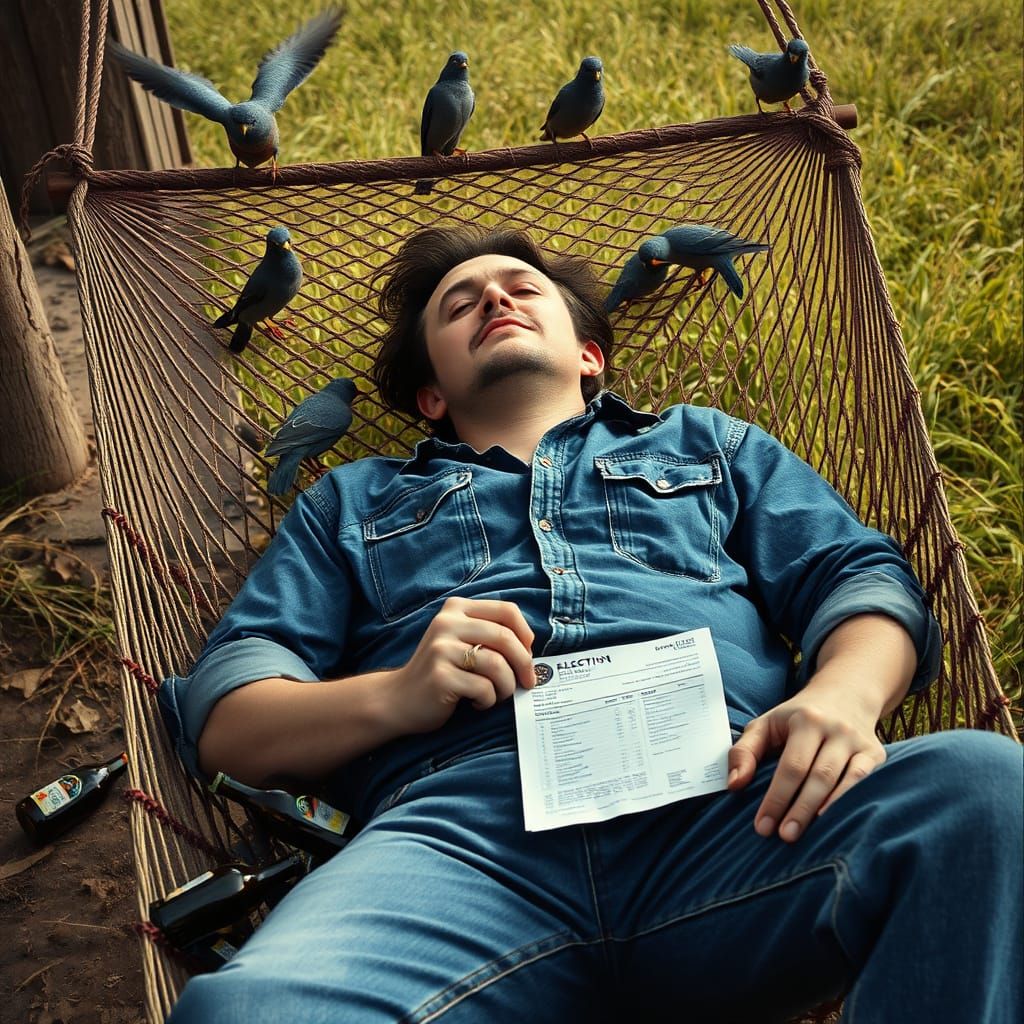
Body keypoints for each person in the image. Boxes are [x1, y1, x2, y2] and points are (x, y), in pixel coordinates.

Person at [160, 225, 1022, 1022]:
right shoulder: (352, 501)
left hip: (731, 813)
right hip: (460, 848)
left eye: (521, 289)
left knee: (981, 788)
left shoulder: (708, 447)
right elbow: (229, 722)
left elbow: (860, 579)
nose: (494, 300)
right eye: (459, 305)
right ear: (429, 394)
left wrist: (842, 696)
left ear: (589, 353)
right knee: (243, 1013)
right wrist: (397, 694)